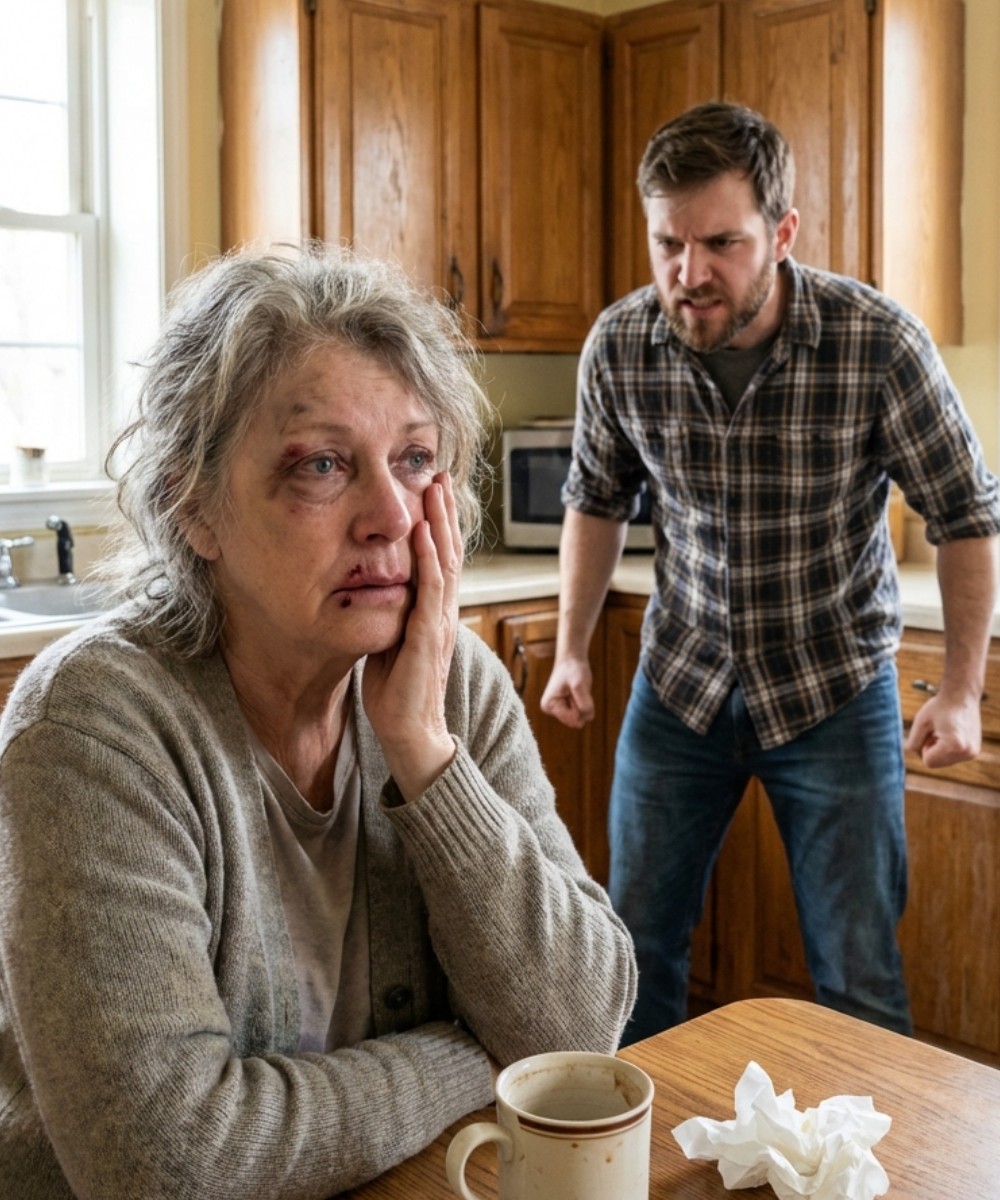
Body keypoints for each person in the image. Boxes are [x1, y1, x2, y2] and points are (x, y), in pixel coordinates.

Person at [0, 245, 637, 1198]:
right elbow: (167, 1166)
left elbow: (584, 1026)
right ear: (194, 505)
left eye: (416, 459)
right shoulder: (95, 728)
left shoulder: (453, 686)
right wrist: (480, 1051)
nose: (390, 513)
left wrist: (426, 756)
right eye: (323, 465)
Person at [540, 101, 1000, 1045]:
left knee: (858, 973)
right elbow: (596, 498)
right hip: (682, 685)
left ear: (783, 233)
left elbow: (967, 512)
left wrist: (962, 690)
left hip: (833, 689)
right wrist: (573, 649)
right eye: (668, 242)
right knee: (633, 956)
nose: (690, 273)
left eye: (721, 243)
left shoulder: (877, 342)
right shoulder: (622, 345)